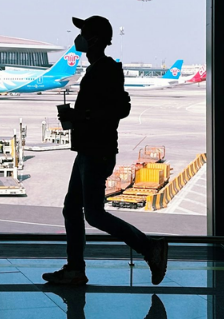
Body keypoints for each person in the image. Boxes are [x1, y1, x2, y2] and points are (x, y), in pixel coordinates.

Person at [43, 15, 168, 286]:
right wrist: (79, 117)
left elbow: (118, 109)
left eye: (84, 33)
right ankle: (75, 268)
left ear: (94, 39)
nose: (79, 39)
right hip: (87, 150)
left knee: (93, 214)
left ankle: (150, 248)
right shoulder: (97, 69)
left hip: (97, 151)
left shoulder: (107, 69)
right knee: (72, 209)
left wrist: (80, 116)